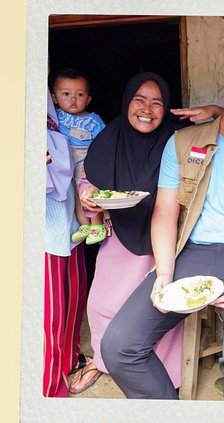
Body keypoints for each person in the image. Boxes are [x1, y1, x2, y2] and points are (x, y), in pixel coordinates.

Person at [100, 66, 224, 400]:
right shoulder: (182, 142)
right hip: (190, 254)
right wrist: (164, 272)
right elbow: (164, 212)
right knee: (119, 345)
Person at [67, 71, 221, 395]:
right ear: (127, 103)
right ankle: (103, 360)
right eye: (140, 100)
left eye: (157, 102)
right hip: (120, 235)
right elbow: (89, 182)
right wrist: (87, 193)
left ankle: (161, 376)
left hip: (166, 243)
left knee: (157, 308)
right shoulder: (110, 138)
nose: (147, 109)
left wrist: (218, 111)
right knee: (100, 305)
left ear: (167, 109)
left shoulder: (180, 138)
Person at [44, 89, 88, 397]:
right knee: (50, 310)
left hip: (69, 217)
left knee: (73, 295)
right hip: (43, 224)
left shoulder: (58, 121)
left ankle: (69, 359)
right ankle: (49, 386)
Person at [50, 69, 107, 245]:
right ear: (53, 98)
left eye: (80, 94)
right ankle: (84, 225)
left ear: (88, 99)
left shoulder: (93, 120)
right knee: (74, 193)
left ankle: (97, 224)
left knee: (88, 190)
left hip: (85, 158)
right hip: (62, 160)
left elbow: (104, 142)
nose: (73, 100)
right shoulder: (54, 117)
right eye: (66, 94)